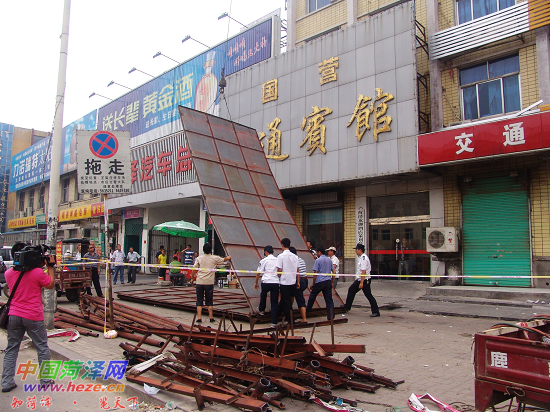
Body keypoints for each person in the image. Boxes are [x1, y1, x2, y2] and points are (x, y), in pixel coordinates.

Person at [2, 245, 56, 392]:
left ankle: (7, 382)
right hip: (33, 316)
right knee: (42, 347)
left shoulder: (8, 273)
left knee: (11, 348)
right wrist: (50, 267)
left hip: (14, 315)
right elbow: (50, 285)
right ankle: (45, 380)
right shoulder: (37, 273)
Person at [192, 243, 231, 323]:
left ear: (203, 250)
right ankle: (211, 317)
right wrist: (229, 257)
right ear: (210, 250)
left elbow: (194, 269)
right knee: (209, 300)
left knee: (199, 300)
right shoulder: (214, 258)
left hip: (200, 281)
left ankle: (199, 318)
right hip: (209, 282)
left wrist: (192, 278)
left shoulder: (199, 258)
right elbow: (224, 259)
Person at [342, 243, 380, 317]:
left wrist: (361, 282)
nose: (355, 251)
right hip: (360, 279)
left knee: (368, 295)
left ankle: (376, 311)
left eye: (356, 249)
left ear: (360, 250)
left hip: (364, 280)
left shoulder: (364, 259)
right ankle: (347, 306)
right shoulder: (361, 258)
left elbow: (363, 271)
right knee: (351, 290)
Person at [306, 247, 335, 320]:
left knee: (312, 296)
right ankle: (331, 316)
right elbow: (334, 272)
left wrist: (313, 283)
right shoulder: (329, 260)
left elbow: (315, 273)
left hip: (320, 281)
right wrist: (332, 282)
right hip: (328, 281)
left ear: (319, 252)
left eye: (317, 252)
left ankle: (306, 312)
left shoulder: (318, 260)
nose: (317, 254)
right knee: (329, 300)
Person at [254, 245, 279, 327]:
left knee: (263, 294)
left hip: (266, 281)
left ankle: (261, 310)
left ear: (265, 252)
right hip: (275, 282)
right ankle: (274, 322)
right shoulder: (277, 260)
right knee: (274, 302)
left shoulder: (264, 260)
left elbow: (258, 272)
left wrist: (256, 282)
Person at [276, 238, 299, 325]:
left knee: (286, 302)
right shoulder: (295, 257)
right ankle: (275, 316)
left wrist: (278, 277)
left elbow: (279, 269)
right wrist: (297, 281)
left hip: (284, 282)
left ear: (282, 245)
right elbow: (297, 270)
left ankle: (291, 321)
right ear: (289, 245)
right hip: (293, 281)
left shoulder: (280, 256)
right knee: (284, 300)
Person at [289, 247, 308, 323]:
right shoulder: (301, 260)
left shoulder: (294, 261)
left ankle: (304, 319)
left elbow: (297, 272)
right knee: (292, 295)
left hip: (299, 281)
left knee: (300, 299)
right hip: (305, 280)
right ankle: (290, 313)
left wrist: (298, 282)